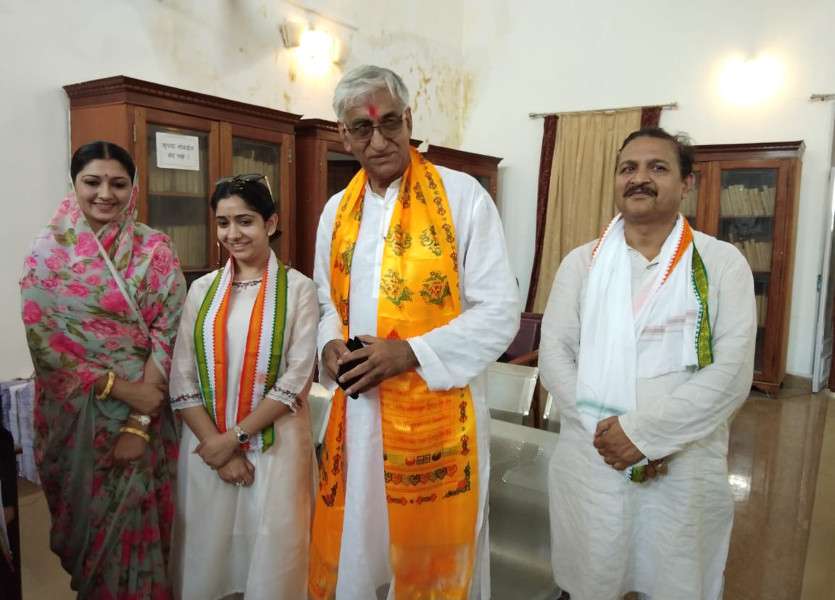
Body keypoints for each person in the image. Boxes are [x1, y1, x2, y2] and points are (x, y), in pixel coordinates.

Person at [308, 65, 520, 600]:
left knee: (431, 560)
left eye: (391, 124)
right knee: (363, 545)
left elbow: (499, 312)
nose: (379, 141)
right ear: (343, 133)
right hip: (360, 413)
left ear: (410, 121)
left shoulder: (462, 195)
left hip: (437, 417)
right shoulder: (337, 211)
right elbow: (324, 300)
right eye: (362, 128)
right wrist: (328, 344)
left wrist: (411, 354)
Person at [540, 127, 756, 600]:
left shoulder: (721, 263)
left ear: (686, 184)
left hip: (681, 465)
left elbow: (733, 373)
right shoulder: (581, 264)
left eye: (658, 168)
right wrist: (613, 436)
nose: (640, 178)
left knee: (675, 575)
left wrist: (646, 436)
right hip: (593, 459)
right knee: (593, 576)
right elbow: (555, 354)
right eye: (628, 168)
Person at [20, 141, 186, 598]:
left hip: (146, 423)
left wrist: (139, 421)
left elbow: (167, 334)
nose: (105, 194)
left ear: (132, 188)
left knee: (141, 533)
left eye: (118, 183)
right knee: (91, 541)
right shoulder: (46, 254)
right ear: (74, 184)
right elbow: (46, 346)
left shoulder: (156, 249)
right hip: (79, 426)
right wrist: (120, 389)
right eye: (92, 182)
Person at [168, 174, 318, 600]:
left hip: (276, 446)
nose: (232, 234)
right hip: (207, 445)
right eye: (223, 223)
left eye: (245, 221)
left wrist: (234, 439)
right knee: (209, 554)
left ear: (270, 223)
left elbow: (296, 379)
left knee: (272, 553)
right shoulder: (202, 290)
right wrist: (217, 447)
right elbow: (182, 375)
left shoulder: (300, 289)